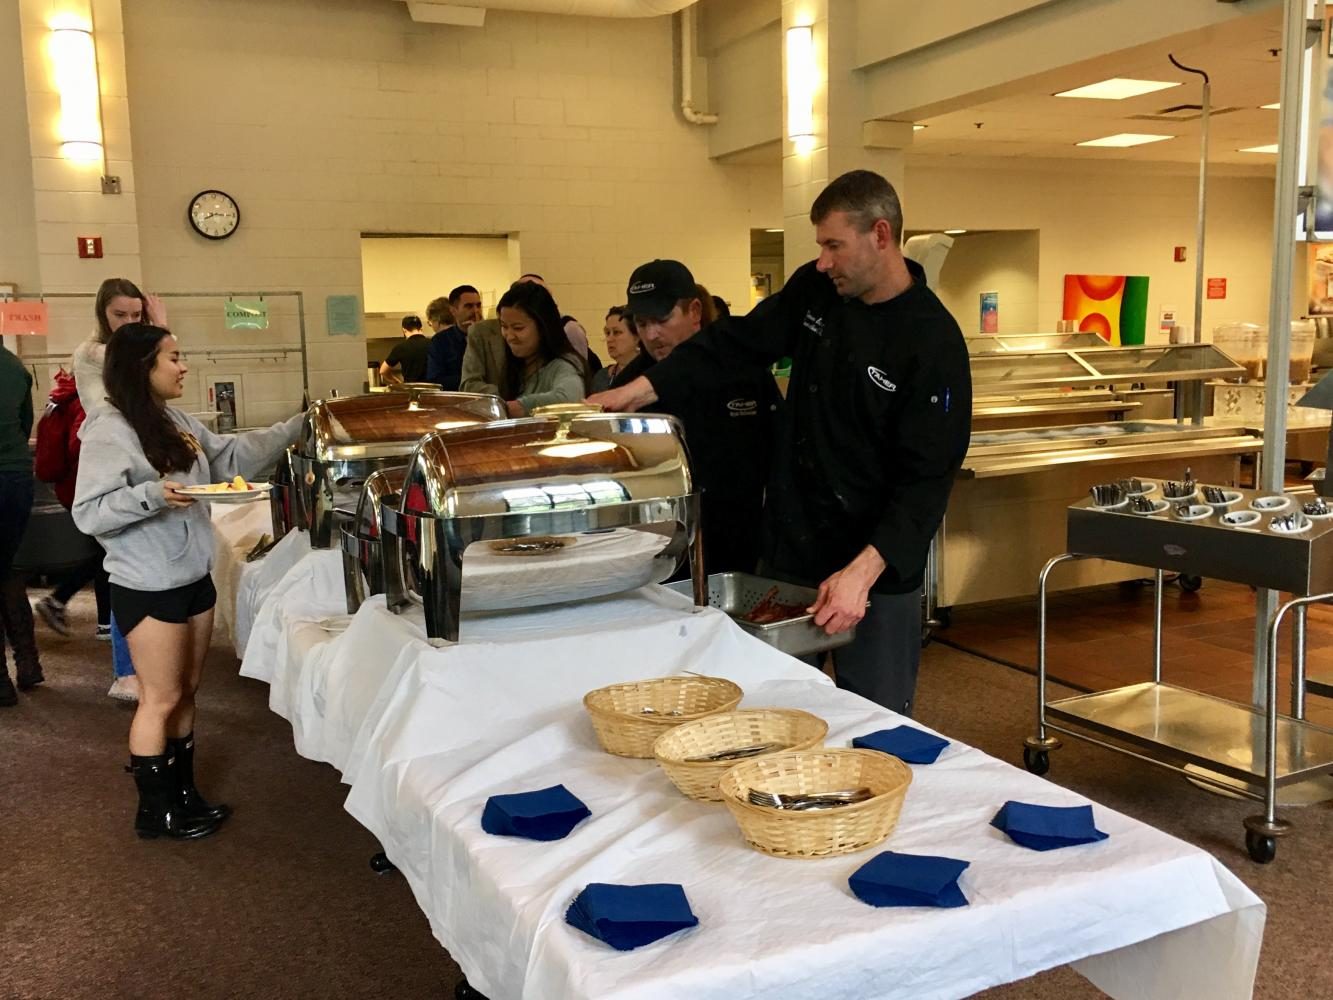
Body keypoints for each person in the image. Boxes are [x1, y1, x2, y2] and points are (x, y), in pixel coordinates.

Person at [591, 170, 972, 715]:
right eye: (820, 246)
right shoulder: (819, 291)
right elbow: (738, 342)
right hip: (797, 549)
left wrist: (861, 573)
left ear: (881, 235)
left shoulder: (931, 341)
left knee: (874, 722)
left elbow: (926, 480)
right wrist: (639, 389)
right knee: (777, 709)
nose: (823, 260)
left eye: (833, 245)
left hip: (877, 568)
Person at [73, 322, 303, 839]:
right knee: (160, 695)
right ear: (141, 367)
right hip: (148, 583)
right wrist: (154, 495)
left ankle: (183, 795)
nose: (183, 366)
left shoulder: (171, 419)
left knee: (187, 691)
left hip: (192, 575)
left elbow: (229, 458)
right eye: (172, 357)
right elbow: (88, 513)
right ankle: (154, 812)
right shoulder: (108, 429)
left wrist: (300, 425)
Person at [618, 261, 779, 575]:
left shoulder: (743, 373)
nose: (652, 334)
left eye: (662, 319)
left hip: (744, 551)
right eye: (641, 323)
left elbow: (780, 452)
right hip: (663, 559)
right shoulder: (629, 387)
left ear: (694, 311)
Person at [75, 278, 161, 701]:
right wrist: (160, 332)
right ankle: (126, 672)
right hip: (110, 464)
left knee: (137, 568)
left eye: (136, 315)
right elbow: (121, 401)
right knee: (122, 567)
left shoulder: (128, 349)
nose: (129, 323)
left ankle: (138, 668)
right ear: (101, 314)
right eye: (119, 315)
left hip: (137, 459)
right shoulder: (94, 353)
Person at [33, 368, 111, 642]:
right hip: (86, 486)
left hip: (70, 486)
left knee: (101, 551)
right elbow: (81, 443)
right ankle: (70, 605)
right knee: (105, 552)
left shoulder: (60, 399)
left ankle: (65, 602)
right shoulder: (84, 402)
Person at [0, 341, 41, 706]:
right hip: (15, 477)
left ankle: (0, 682)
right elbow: (25, 423)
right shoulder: (15, 367)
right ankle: (28, 662)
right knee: (8, 566)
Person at [496, 281, 587, 416]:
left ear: (543, 327)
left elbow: (571, 399)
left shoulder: (564, 366)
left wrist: (520, 406)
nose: (509, 336)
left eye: (518, 328)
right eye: (504, 326)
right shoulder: (517, 366)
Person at [426, 284, 483, 389]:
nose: (476, 311)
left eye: (478, 305)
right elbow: (435, 380)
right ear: (453, 311)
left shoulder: (490, 337)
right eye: (469, 306)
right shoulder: (441, 342)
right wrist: (469, 379)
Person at [589, 306, 645, 393]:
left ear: (637, 337)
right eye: (607, 333)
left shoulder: (651, 373)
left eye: (616, 332)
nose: (609, 339)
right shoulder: (602, 377)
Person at [379, 314, 429, 385]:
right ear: (421, 328)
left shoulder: (401, 347)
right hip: (432, 390)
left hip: (411, 390)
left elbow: (383, 371)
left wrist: (396, 382)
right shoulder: (433, 344)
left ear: (404, 330)